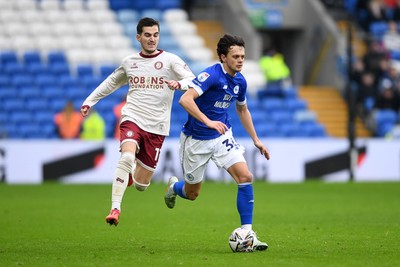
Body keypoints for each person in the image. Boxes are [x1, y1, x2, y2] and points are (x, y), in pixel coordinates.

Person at [80, 17, 195, 226]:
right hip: (132, 117)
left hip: (158, 126)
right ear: (138, 37)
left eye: (156, 35)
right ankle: (115, 208)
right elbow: (110, 83)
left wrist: (179, 84)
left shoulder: (170, 60)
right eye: (148, 35)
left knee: (142, 184)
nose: (152, 39)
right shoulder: (129, 62)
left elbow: (193, 80)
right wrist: (90, 101)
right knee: (126, 157)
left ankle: (131, 177)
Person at [164, 34, 270, 251]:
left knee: (245, 176)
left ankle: (247, 233)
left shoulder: (240, 81)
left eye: (243, 56)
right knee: (192, 194)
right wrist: (209, 121)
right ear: (223, 57)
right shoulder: (211, 75)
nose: (240, 60)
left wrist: (256, 140)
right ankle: (174, 187)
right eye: (235, 56)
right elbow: (185, 99)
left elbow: (242, 109)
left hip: (222, 136)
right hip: (196, 140)